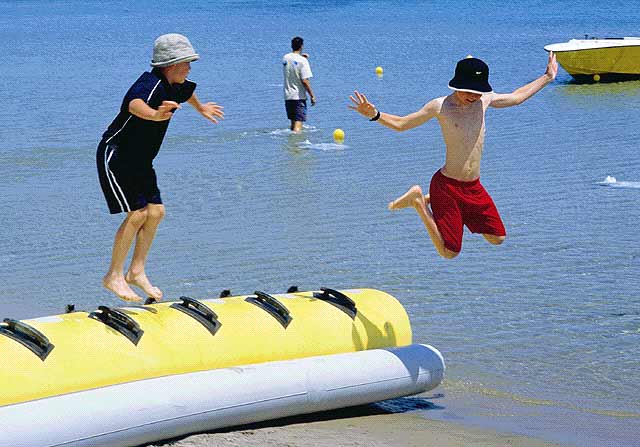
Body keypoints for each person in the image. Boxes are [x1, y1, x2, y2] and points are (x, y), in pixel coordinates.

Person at [349, 52, 558, 259]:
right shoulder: (440, 107)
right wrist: (375, 115)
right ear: (457, 85)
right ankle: (418, 202)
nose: (474, 96)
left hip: (473, 187)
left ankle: (433, 200)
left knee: (497, 237)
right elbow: (403, 124)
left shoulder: (484, 101)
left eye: (478, 92)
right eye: (469, 91)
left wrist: (547, 77)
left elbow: (517, 97)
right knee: (449, 252)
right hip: (447, 185)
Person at [96, 33, 224, 302]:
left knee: (156, 212)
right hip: (117, 155)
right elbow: (133, 105)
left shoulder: (176, 84)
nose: (190, 68)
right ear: (171, 64)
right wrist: (155, 115)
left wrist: (201, 108)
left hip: (142, 160)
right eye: (187, 62)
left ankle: (136, 271)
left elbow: (187, 92)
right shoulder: (149, 84)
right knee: (138, 214)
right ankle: (113, 276)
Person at [282, 36, 316, 132]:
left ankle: (292, 146)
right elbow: (305, 81)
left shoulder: (285, 58)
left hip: (288, 95)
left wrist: (302, 58)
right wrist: (312, 96)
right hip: (298, 96)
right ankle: (296, 144)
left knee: (293, 123)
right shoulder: (303, 61)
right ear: (301, 46)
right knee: (299, 122)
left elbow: (293, 63)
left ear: (291, 46)